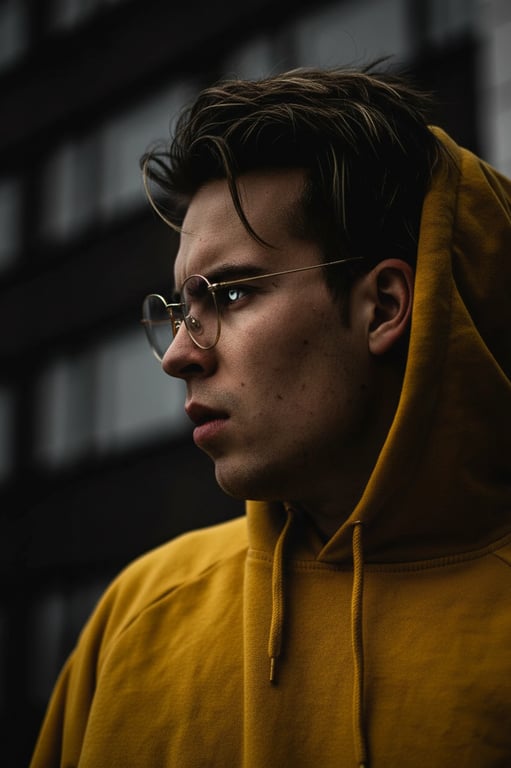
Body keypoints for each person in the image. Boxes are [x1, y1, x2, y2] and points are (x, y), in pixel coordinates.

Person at [30, 64, 511, 768]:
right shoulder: (141, 613)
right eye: (178, 312)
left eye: (229, 296)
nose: (177, 356)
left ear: (382, 306)